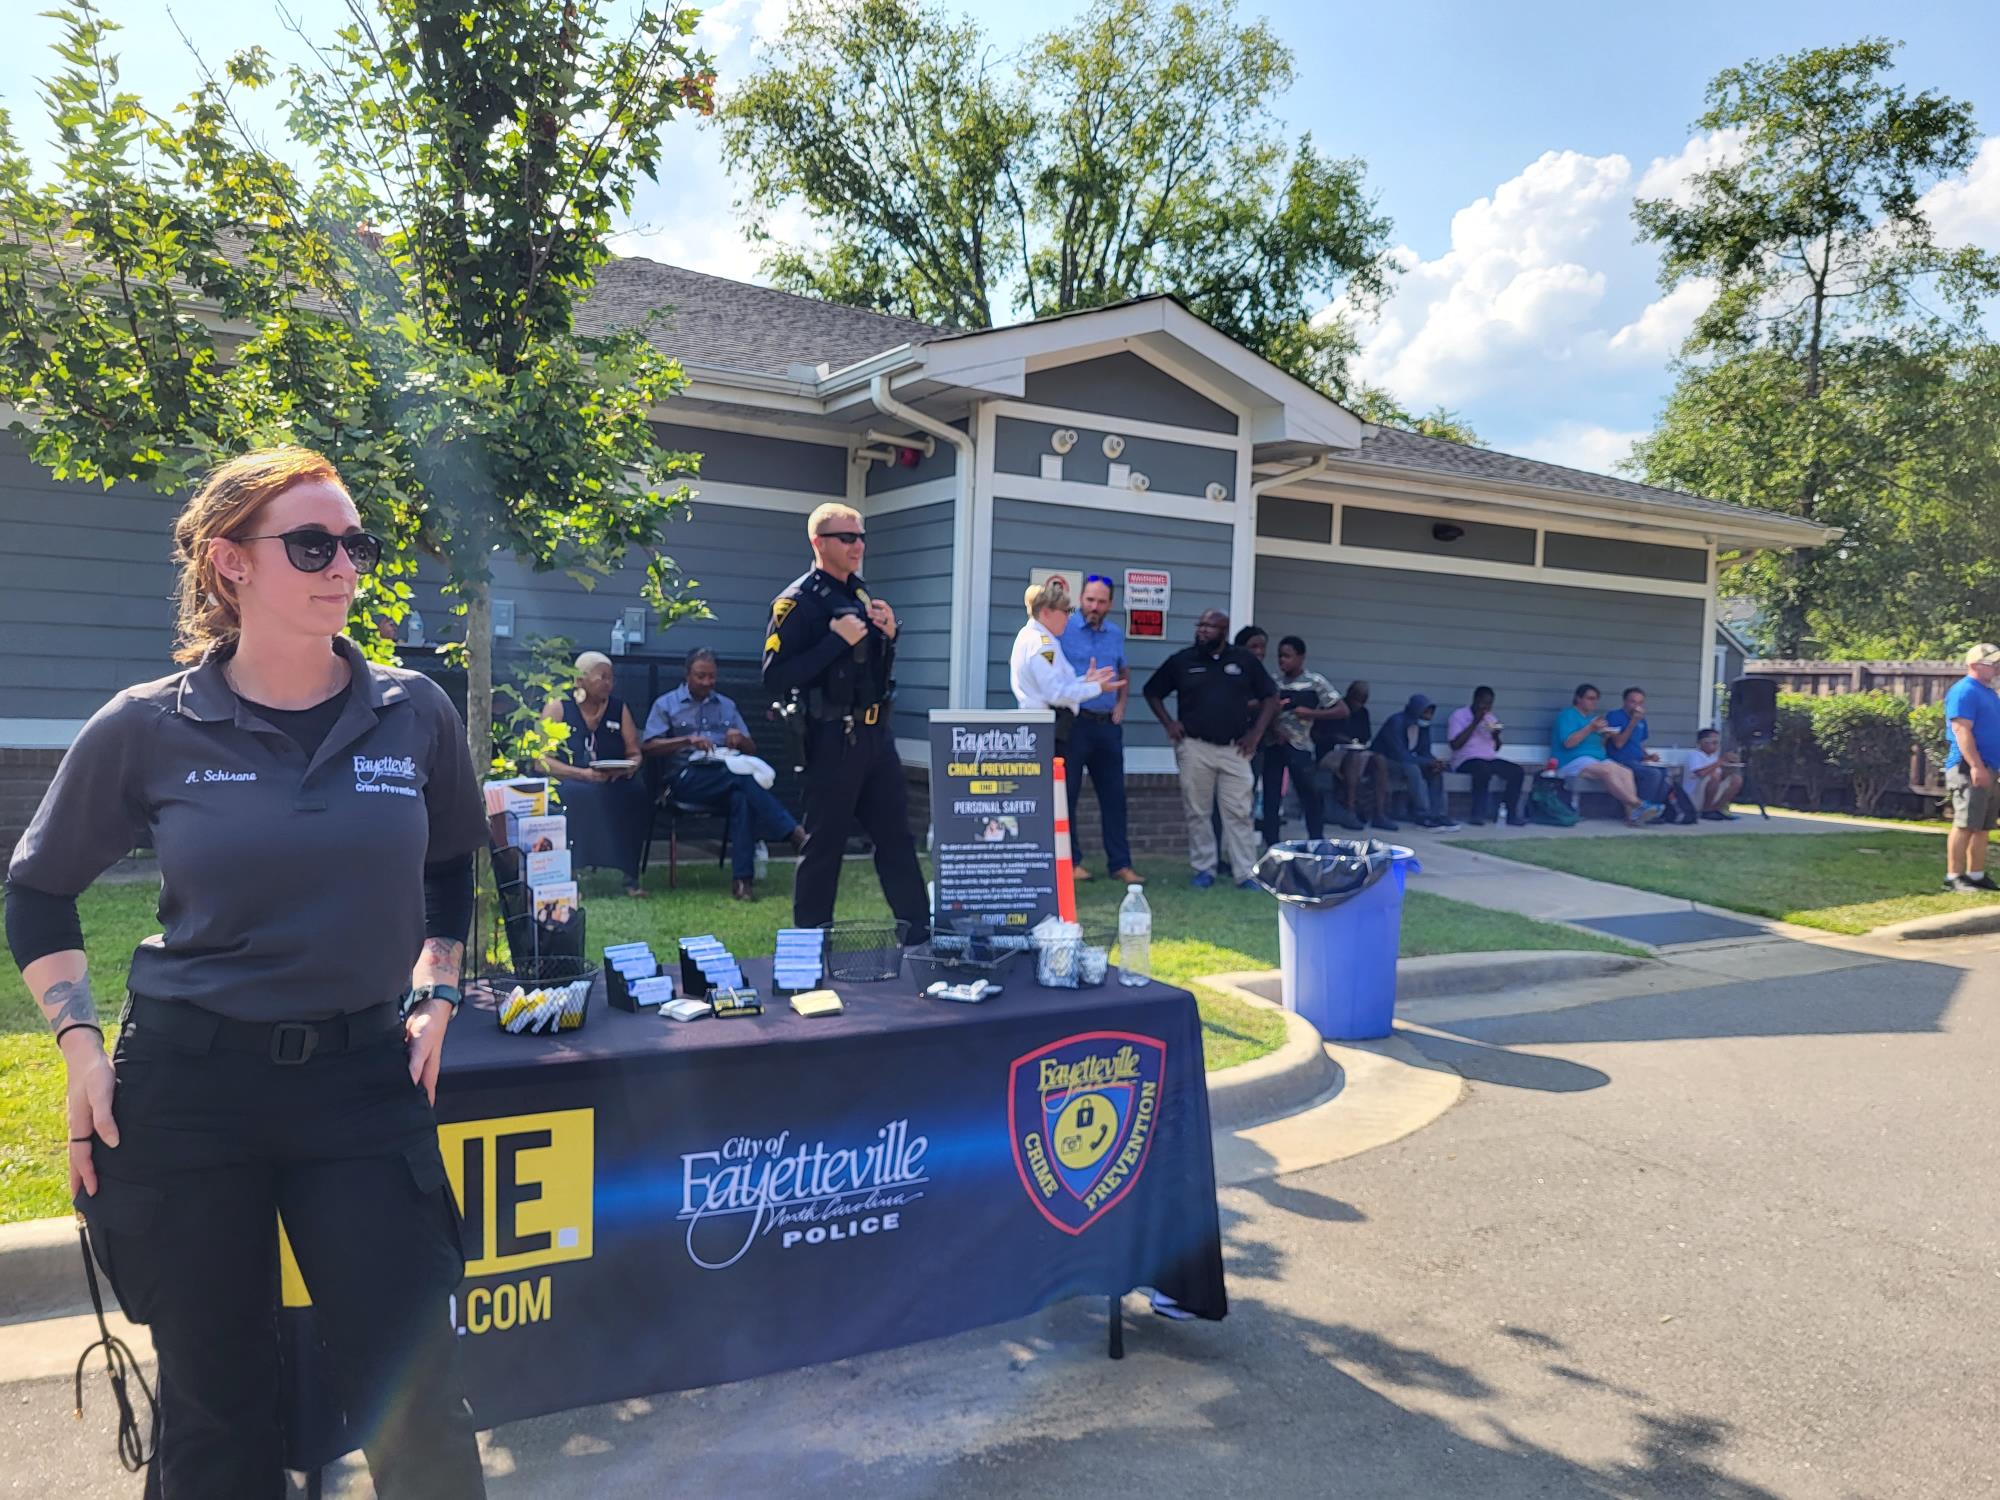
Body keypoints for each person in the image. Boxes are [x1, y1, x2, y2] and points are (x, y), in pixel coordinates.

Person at [3, 447, 488, 1496]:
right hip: (190, 1092)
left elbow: (450, 864)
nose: (344, 565)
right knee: (215, 1412)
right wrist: (79, 1047)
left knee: (418, 1408)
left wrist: (437, 987)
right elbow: (37, 890)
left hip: (360, 1084)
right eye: (311, 543)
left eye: (353, 542)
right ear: (230, 563)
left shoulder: (414, 712)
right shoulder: (149, 725)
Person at [764, 503, 929, 937]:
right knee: (825, 845)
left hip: (875, 734)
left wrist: (891, 635)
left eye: (861, 537)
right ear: (819, 542)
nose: (858, 546)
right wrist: (833, 643)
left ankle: (919, 935)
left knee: (897, 839)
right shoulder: (796, 602)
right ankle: (810, 946)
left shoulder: (858, 593)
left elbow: (872, 669)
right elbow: (774, 676)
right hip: (830, 737)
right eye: (847, 538)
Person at [642, 646, 805, 902]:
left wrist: (739, 739)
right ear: (687, 675)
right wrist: (686, 741)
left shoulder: (727, 706)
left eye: (712, 677)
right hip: (684, 779)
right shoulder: (667, 704)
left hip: (725, 775)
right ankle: (792, 832)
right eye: (701, 676)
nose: (708, 682)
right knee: (743, 780)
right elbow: (648, 746)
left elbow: (752, 749)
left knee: (742, 795)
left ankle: (743, 882)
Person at [1144, 609, 1278, 889]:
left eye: (1210, 626)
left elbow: (1270, 696)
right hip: (1195, 747)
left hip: (1235, 750)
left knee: (1240, 812)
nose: (1203, 630)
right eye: (1200, 625)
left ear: (1224, 631)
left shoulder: (1243, 660)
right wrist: (1169, 723)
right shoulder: (1183, 661)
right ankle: (1204, 869)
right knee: (1198, 811)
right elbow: (1152, 691)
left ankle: (1245, 873)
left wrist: (1256, 734)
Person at [540, 650, 650, 896]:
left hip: (610, 779)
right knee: (579, 795)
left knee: (636, 794)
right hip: (571, 780)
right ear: (580, 680)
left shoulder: (619, 708)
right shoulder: (558, 707)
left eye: (611, 678)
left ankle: (630, 877)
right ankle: (571, 874)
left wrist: (627, 768)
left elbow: (634, 753)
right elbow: (541, 761)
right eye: (602, 677)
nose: (608, 683)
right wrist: (581, 774)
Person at [1060, 574, 1141, 884]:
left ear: (1110, 604)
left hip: (1107, 725)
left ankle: (1120, 865)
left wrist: (1121, 704)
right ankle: (1071, 862)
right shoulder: (1064, 629)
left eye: (1101, 601)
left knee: (1114, 796)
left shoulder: (1115, 633)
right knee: (1067, 794)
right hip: (1074, 723)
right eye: (1089, 599)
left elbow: (1124, 669)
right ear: (1081, 599)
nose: (1094, 606)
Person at [1266, 636, 1357, 840]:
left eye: (1288, 656)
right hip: (1275, 743)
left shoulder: (1315, 682)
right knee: (1271, 797)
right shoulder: (1274, 682)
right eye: (1280, 656)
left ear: (1301, 657)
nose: (1282, 661)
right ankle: (1272, 844)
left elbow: (1342, 710)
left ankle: (1316, 840)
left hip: (1301, 746)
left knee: (1309, 794)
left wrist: (1311, 714)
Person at [1554, 683, 1663, 827]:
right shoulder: (1567, 715)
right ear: (1578, 698)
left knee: (1626, 772)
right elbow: (1568, 743)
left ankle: (1632, 817)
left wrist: (1605, 735)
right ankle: (1639, 804)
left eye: (1596, 699)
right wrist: (1590, 728)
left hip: (1597, 759)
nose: (1594, 702)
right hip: (1572, 760)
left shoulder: (1594, 719)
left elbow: (1601, 744)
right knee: (1607, 770)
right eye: (1590, 698)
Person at [1940, 643, 2000, 892]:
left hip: (1990, 767)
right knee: (1965, 823)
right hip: (1969, 767)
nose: (1997, 667)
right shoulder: (1964, 691)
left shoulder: (1989, 692)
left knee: (1983, 824)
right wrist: (1976, 766)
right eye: (1993, 663)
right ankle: (1954, 877)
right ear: (1975, 665)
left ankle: (1976, 875)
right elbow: (1961, 730)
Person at [1371, 694, 1460, 830]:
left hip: (1408, 761)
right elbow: (1399, 754)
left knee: (1435, 771)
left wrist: (1435, 763)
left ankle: (1438, 814)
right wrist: (1426, 762)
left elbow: (1424, 751)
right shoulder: (1396, 722)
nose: (1428, 716)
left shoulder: (1423, 726)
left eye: (1431, 713)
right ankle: (1422, 814)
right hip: (1386, 762)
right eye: (1425, 712)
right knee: (1413, 769)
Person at [1318, 679, 1396, 831]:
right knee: (1353, 758)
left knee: (1379, 760)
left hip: (1356, 751)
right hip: (1330, 753)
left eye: (1363, 701)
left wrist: (1354, 742)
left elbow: (1366, 737)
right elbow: (1317, 735)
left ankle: (1379, 814)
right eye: (1358, 700)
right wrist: (1336, 737)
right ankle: (1350, 812)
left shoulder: (1363, 713)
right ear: (1350, 695)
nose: (1359, 704)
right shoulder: (1332, 708)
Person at [1446, 686, 1526, 825]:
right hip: (1465, 760)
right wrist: (1475, 722)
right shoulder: (1459, 716)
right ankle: (1477, 814)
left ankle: (1508, 813)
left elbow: (1497, 748)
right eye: (1484, 703)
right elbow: (1455, 744)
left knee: (1517, 771)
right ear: (1475, 700)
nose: (1486, 708)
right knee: (1482, 770)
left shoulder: (1491, 718)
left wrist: (1496, 736)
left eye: (1489, 704)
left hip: (1489, 759)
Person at [1683, 727, 1745, 821]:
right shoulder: (1694, 755)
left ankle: (1717, 809)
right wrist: (1720, 761)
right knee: (1713, 779)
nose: (1717, 746)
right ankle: (1706, 811)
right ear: (1703, 742)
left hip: (1710, 793)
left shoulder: (1713, 757)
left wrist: (1730, 766)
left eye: (1718, 743)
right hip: (1694, 796)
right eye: (1714, 742)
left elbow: (1721, 776)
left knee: (1736, 779)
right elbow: (1701, 773)